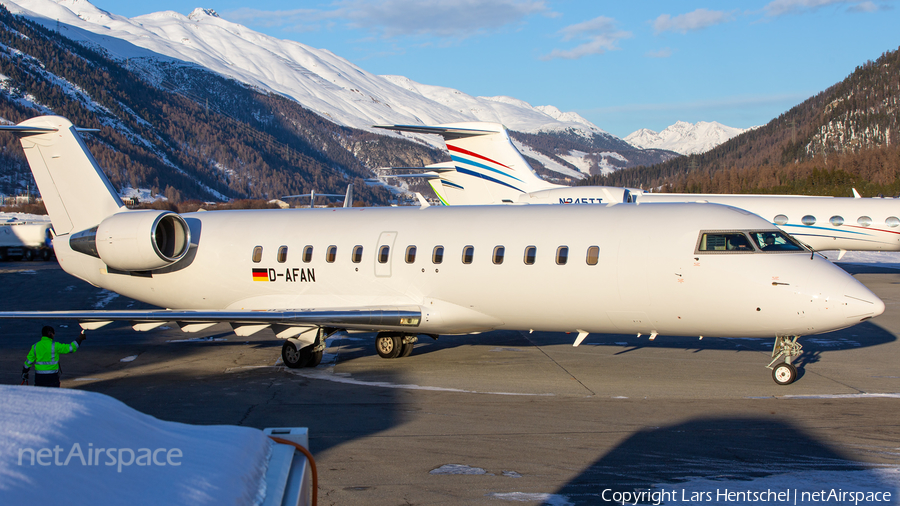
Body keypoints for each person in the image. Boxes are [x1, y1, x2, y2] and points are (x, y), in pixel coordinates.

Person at [21, 326, 86, 387]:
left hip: (39, 377)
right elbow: (71, 348)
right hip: (52, 377)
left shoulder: (35, 346)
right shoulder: (55, 345)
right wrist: (80, 338)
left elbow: (28, 362)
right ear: (50, 334)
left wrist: (25, 372)